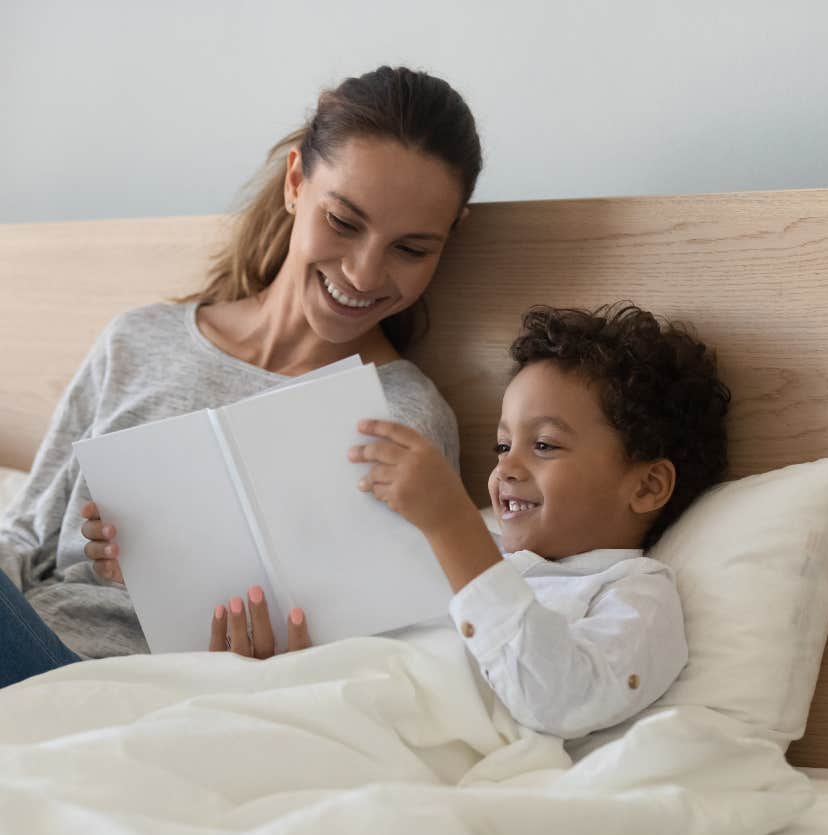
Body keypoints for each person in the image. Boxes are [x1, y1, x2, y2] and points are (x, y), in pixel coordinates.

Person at [0, 65, 482, 688]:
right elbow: (25, 534)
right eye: (343, 222)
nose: (364, 274)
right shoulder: (137, 341)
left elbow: (376, 652)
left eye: (411, 249)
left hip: (138, 687)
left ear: (449, 239)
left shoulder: (403, 421)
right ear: (294, 184)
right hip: (33, 644)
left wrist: (275, 662)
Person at [215, 303, 730, 740]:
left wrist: (451, 527)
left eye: (544, 445)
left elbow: (559, 701)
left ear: (646, 486)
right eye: (502, 446)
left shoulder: (633, 593)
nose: (505, 468)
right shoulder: (463, 547)